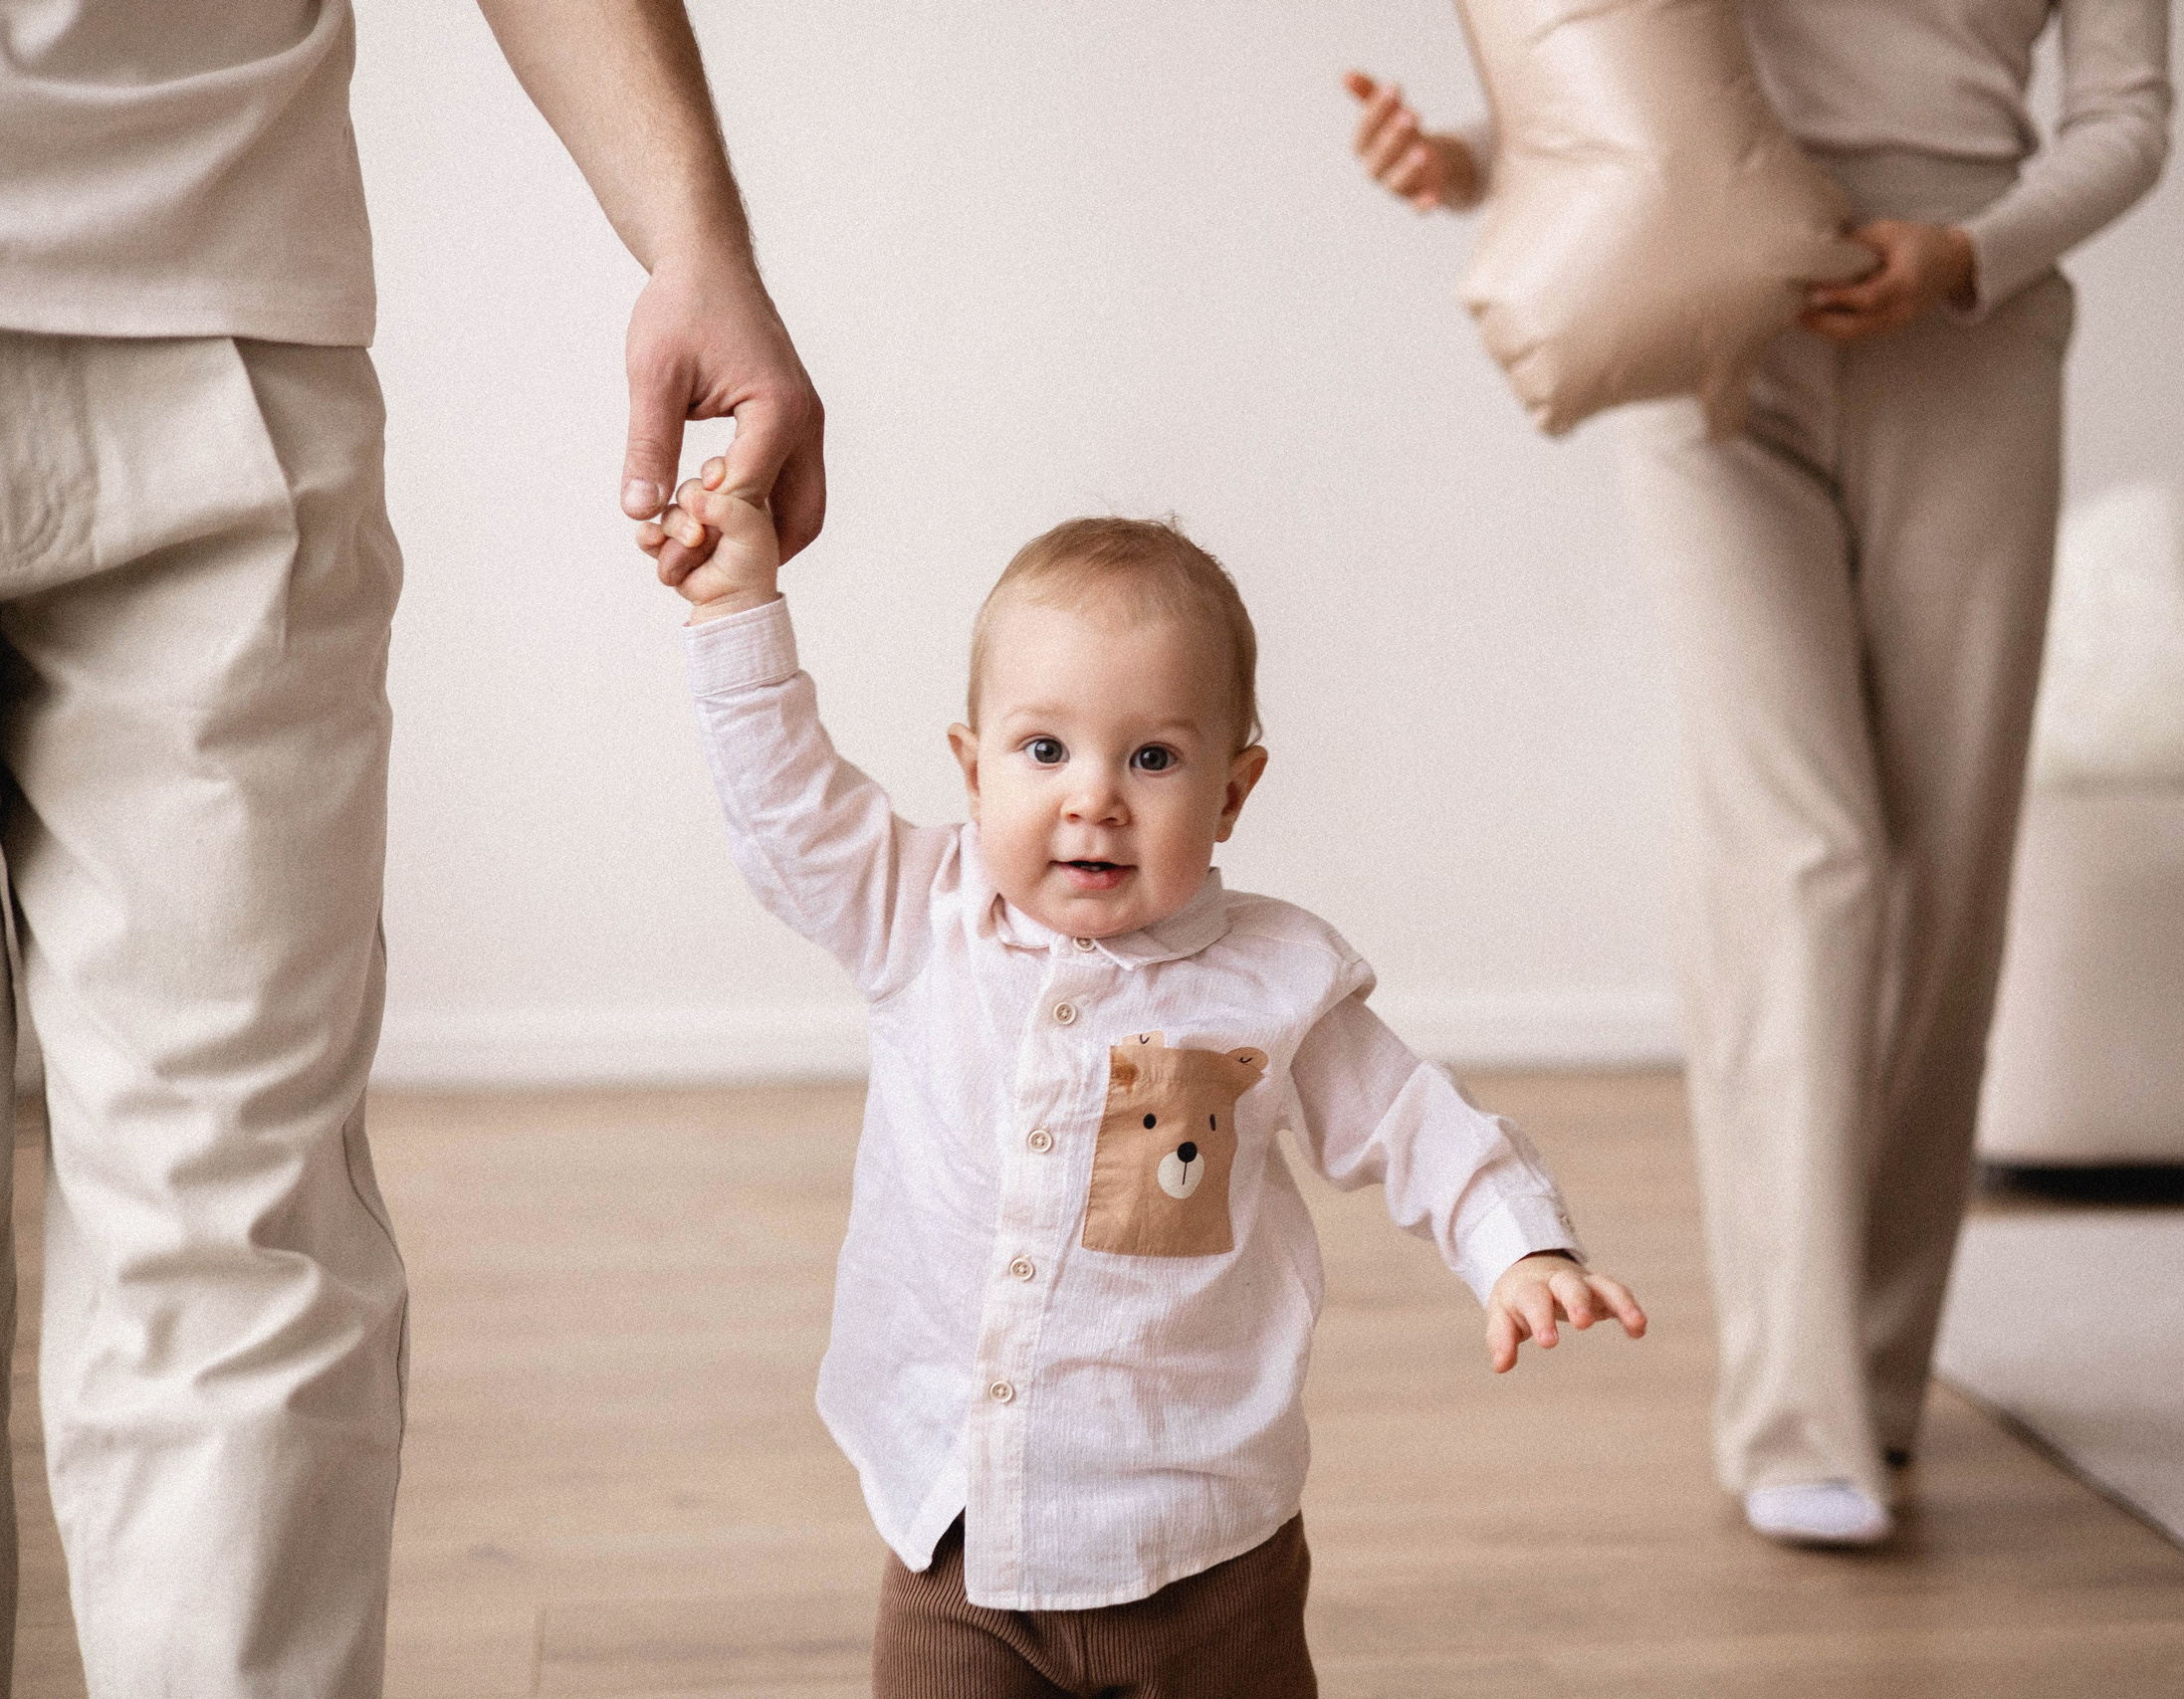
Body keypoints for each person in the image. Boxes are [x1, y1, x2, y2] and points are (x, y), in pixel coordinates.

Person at [0, 2, 820, 1690]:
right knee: (232, 1239)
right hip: (207, 310)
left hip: (212, 319)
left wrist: (694, 239)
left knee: (236, 1236)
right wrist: (688, 236)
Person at [1344, 0, 2170, 1547]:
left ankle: (1872, 1375)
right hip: (1704, 321)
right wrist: (1464, 161)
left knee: (1945, 872)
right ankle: (1796, 1412)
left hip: (1972, 342)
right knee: (1803, 854)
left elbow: (2129, 121)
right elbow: (1635, 76)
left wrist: (1966, 251)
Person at [653, 471, 1645, 1697]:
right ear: (971, 770)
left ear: (1232, 791)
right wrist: (735, 607)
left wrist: (1519, 1250)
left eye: (1155, 757)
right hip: (956, 1541)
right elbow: (786, 807)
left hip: (1204, 1555)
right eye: (1043, 747)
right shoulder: (917, 916)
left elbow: (1410, 1120)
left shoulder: (1274, 977)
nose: (1093, 798)